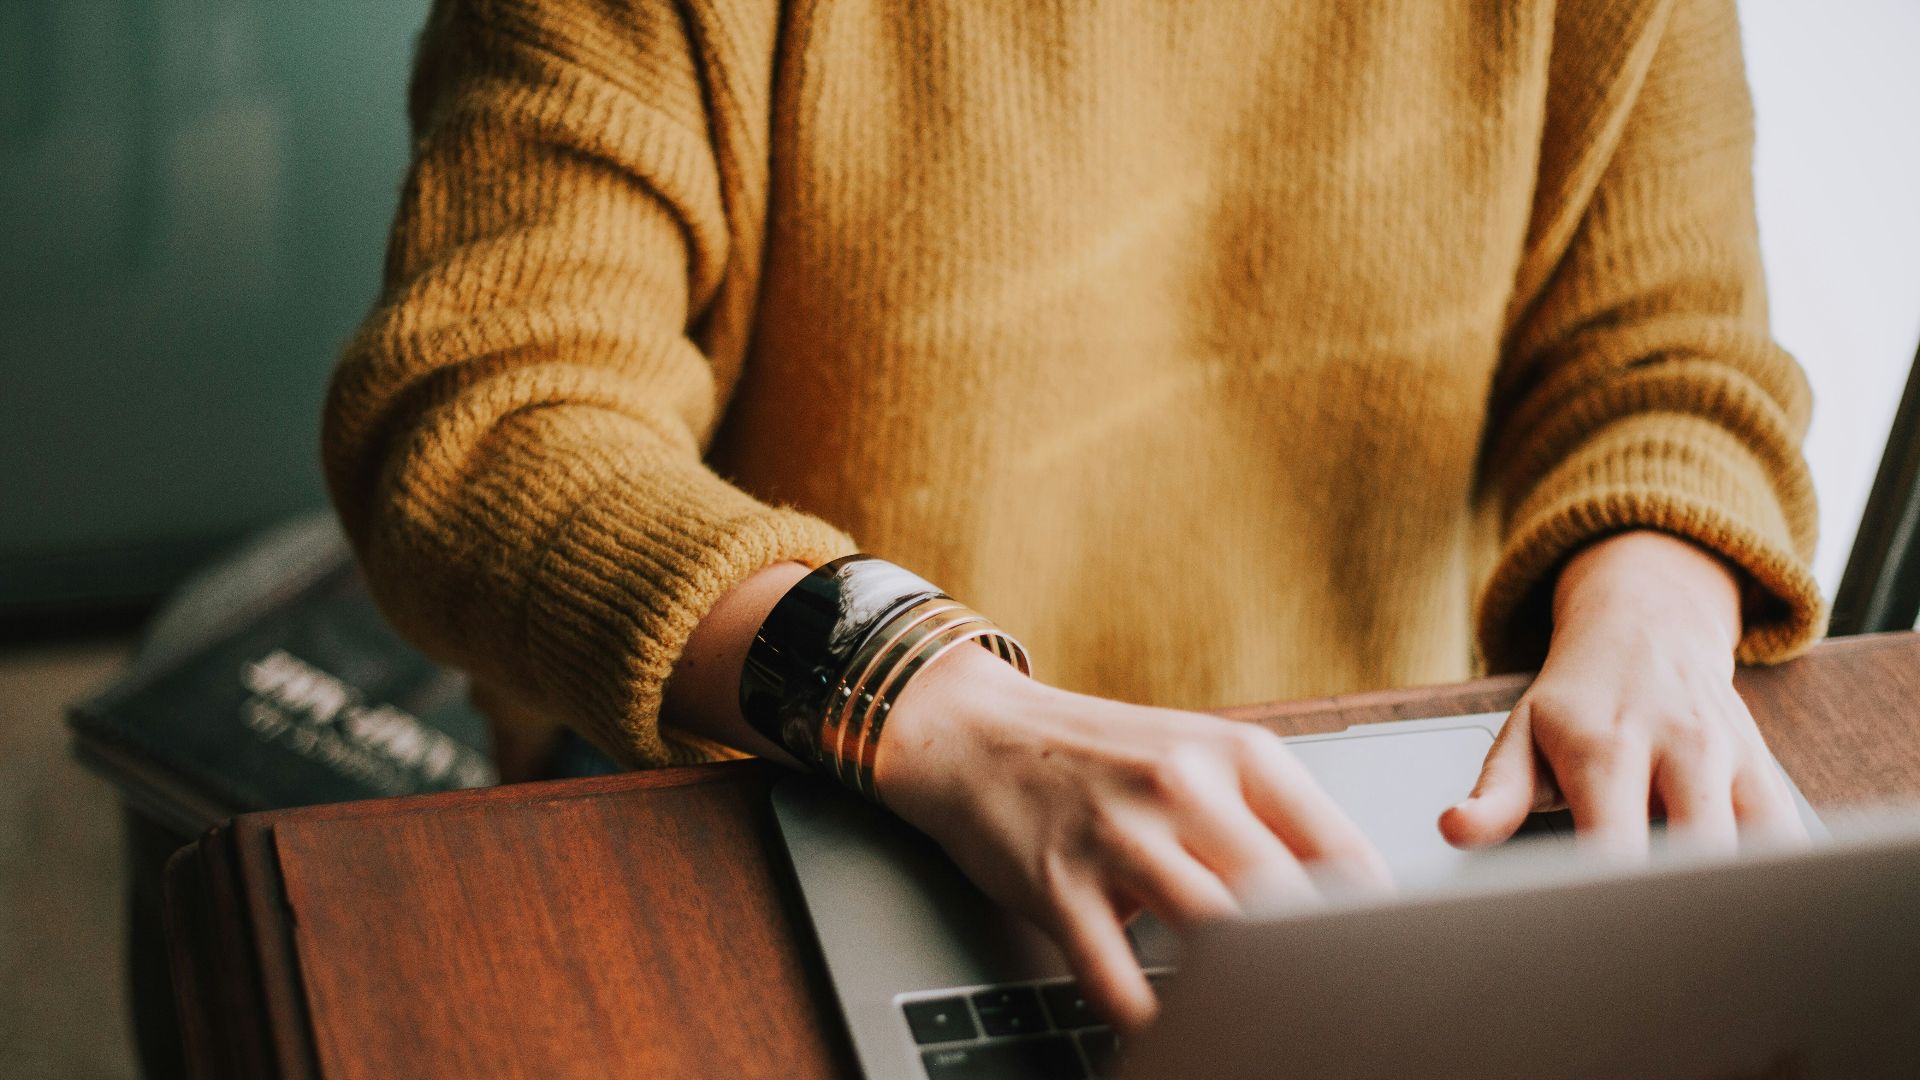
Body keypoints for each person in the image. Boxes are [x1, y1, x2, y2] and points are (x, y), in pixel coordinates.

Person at [324, 0, 1824, 1030]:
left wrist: (1658, 607)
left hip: (1360, 833)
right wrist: (918, 694)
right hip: (792, 780)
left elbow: (1670, 360)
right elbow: (483, 416)